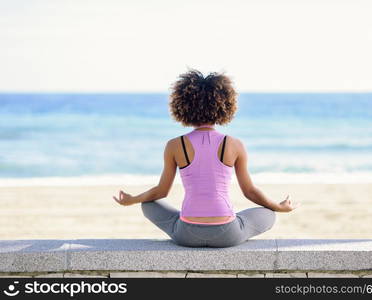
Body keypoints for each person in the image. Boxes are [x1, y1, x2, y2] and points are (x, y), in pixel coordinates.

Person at [113, 69, 300, 247]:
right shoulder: (234, 144)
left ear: (182, 106)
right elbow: (250, 191)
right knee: (269, 213)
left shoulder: (174, 145)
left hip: (186, 234)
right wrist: (279, 206)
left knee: (148, 204)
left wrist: (133, 199)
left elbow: (161, 192)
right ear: (225, 105)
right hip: (227, 234)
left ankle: (183, 221)